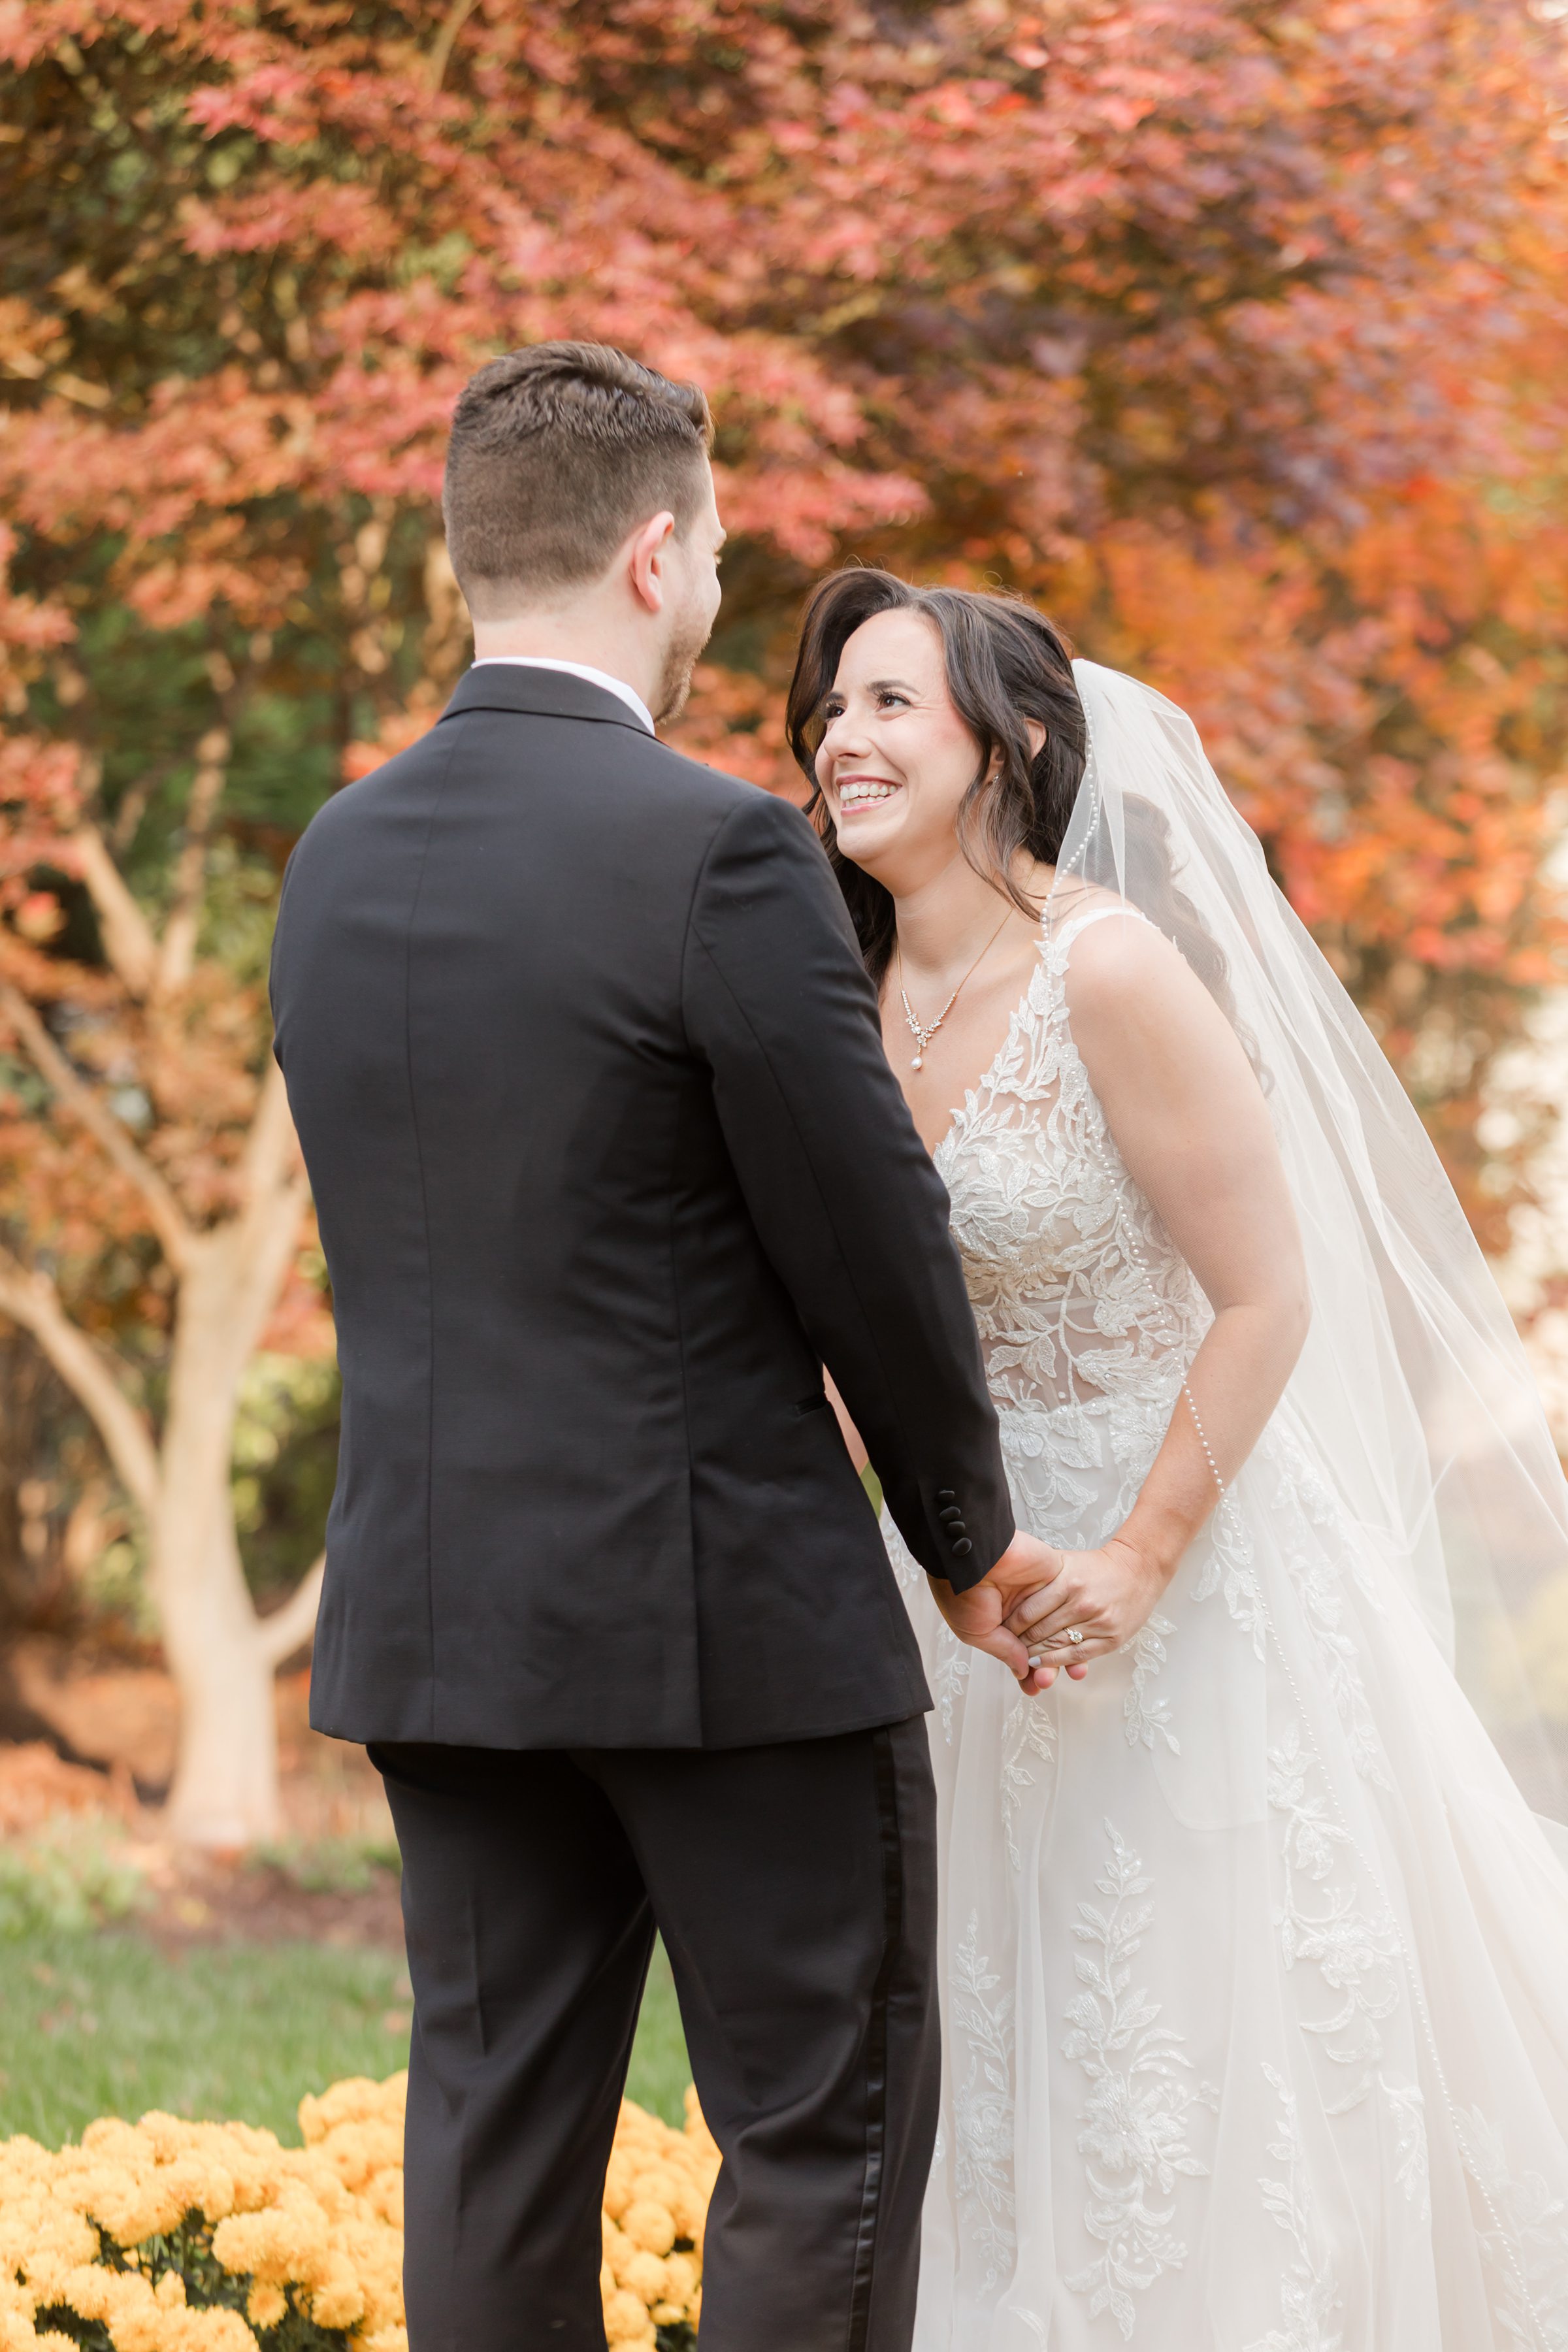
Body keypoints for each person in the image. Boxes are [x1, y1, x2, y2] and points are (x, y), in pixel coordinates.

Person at [268, 345, 1062, 2352]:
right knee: (818, 2137)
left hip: (442, 1626)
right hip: (730, 1632)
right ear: (652, 556)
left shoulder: (334, 861)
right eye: (710, 552)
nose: (717, 596)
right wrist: (964, 1531)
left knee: (495, 2138)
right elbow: (870, 1233)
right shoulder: (713, 851)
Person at [788, 566, 1568, 2349]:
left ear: (1017, 742)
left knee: (1209, 2042)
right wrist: (941, 1555)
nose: (843, 735)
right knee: (1013, 2040)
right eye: (831, 707)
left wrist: (1136, 1559)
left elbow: (1268, 1296)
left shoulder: (1109, 970)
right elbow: (845, 1320)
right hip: (977, 1612)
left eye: (891, 701)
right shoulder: (837, 993)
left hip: (1197, 1585)